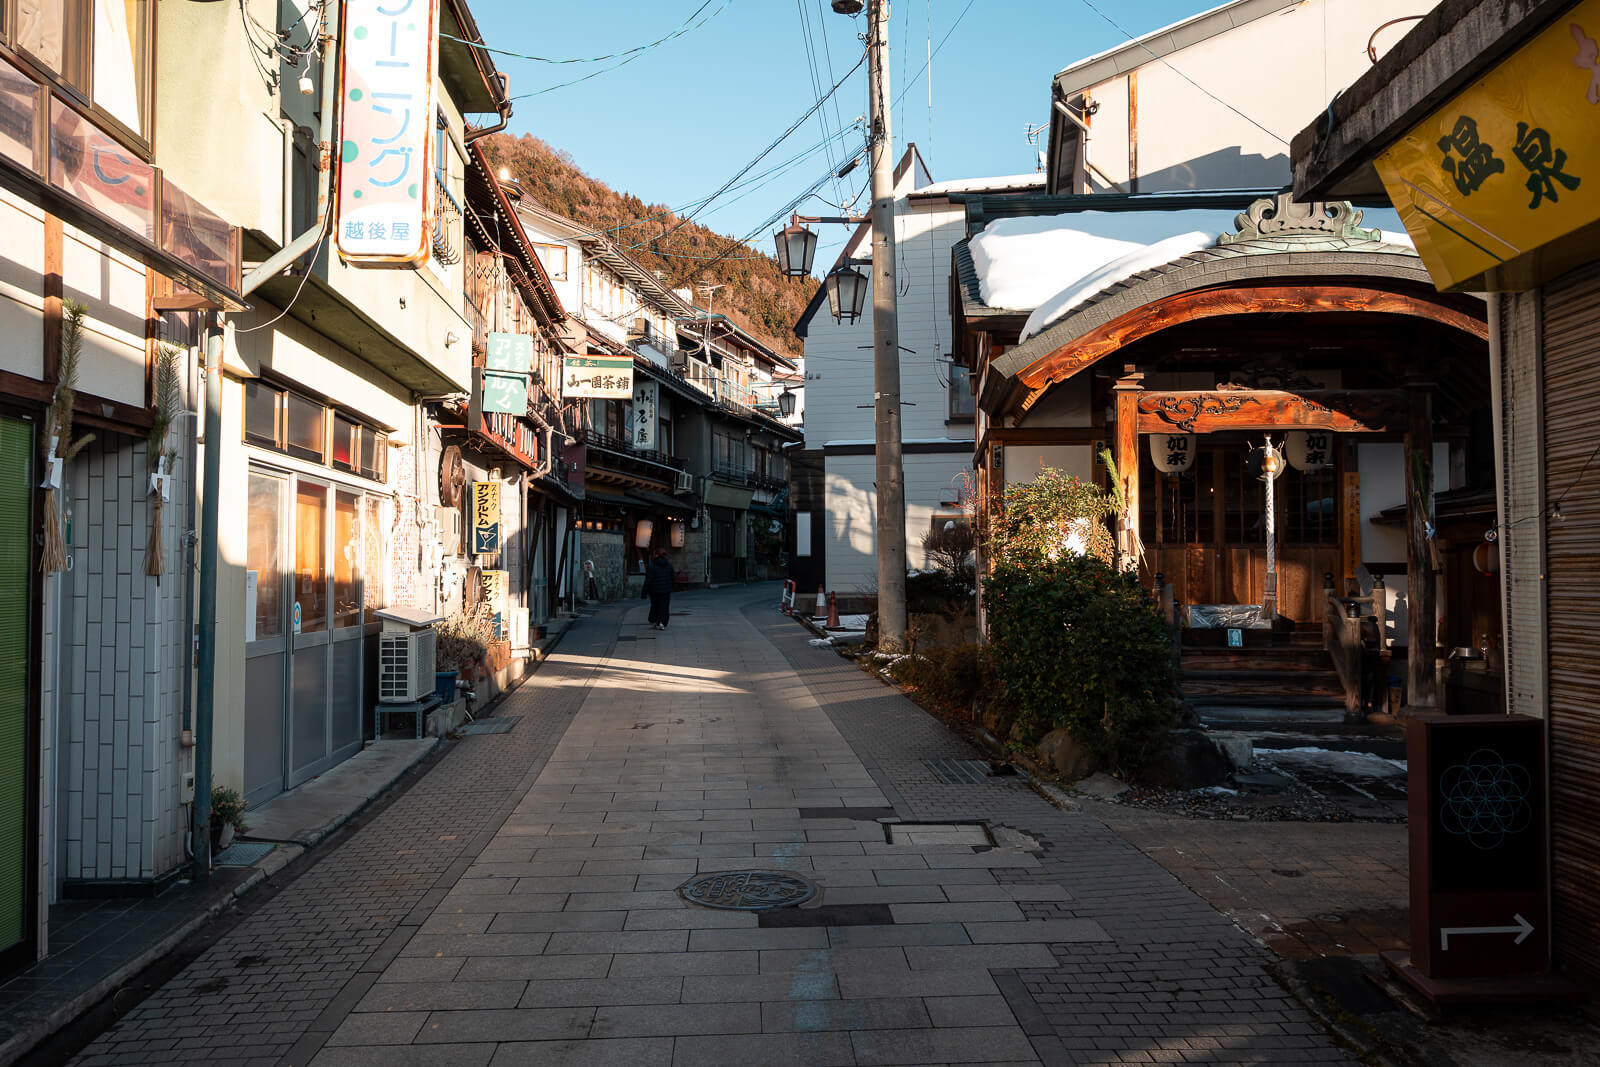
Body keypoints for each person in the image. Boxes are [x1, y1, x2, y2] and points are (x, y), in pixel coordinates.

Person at [645, 548, 675, 630]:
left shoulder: (652, 565)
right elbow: (673, 577)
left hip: (654, 590)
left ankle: (655, 621)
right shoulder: (668, 564)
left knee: (655, 605)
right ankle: (662, 622)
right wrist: (670, 586)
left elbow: (648, 579)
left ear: (656, 555)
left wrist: (645, 591)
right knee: (664, 606)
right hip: (666, 590)